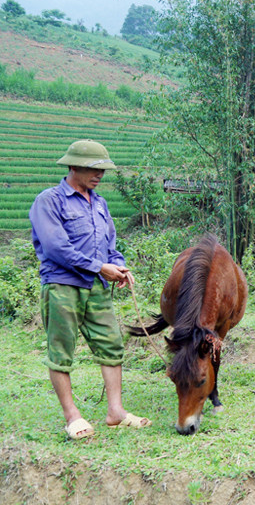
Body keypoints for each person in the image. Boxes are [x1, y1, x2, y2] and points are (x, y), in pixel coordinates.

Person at [29, 139, 152, 440]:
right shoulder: (50, 201)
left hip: (96, 287)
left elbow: (110, 246)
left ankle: (116, 412)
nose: (100, 175)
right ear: (73, 166)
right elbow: (56, 248)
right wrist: (99, 267)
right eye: (93, 169)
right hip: (62, 285)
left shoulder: (99, 203)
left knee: (112, 344)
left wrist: (118, 267)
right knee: (61, 350)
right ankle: (72, 417)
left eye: (103, 170)